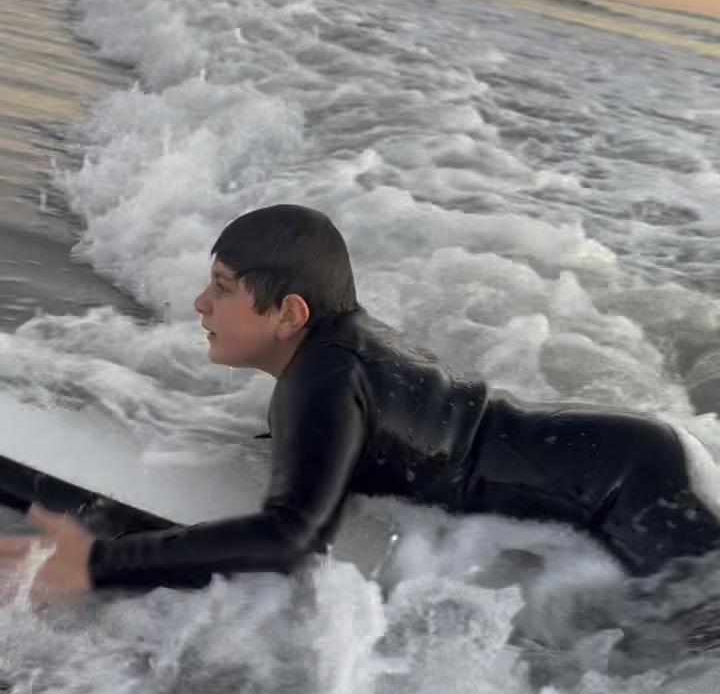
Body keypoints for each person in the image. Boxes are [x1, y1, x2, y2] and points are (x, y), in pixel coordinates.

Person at [2, 202, 720, 606]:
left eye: (222, 286)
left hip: (618, 488)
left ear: (288, 311)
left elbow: (289, 539)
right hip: (610, 453)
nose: (200, 302)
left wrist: (100, 564)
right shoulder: (333, 351)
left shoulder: (323, 379)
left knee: (698, 644)